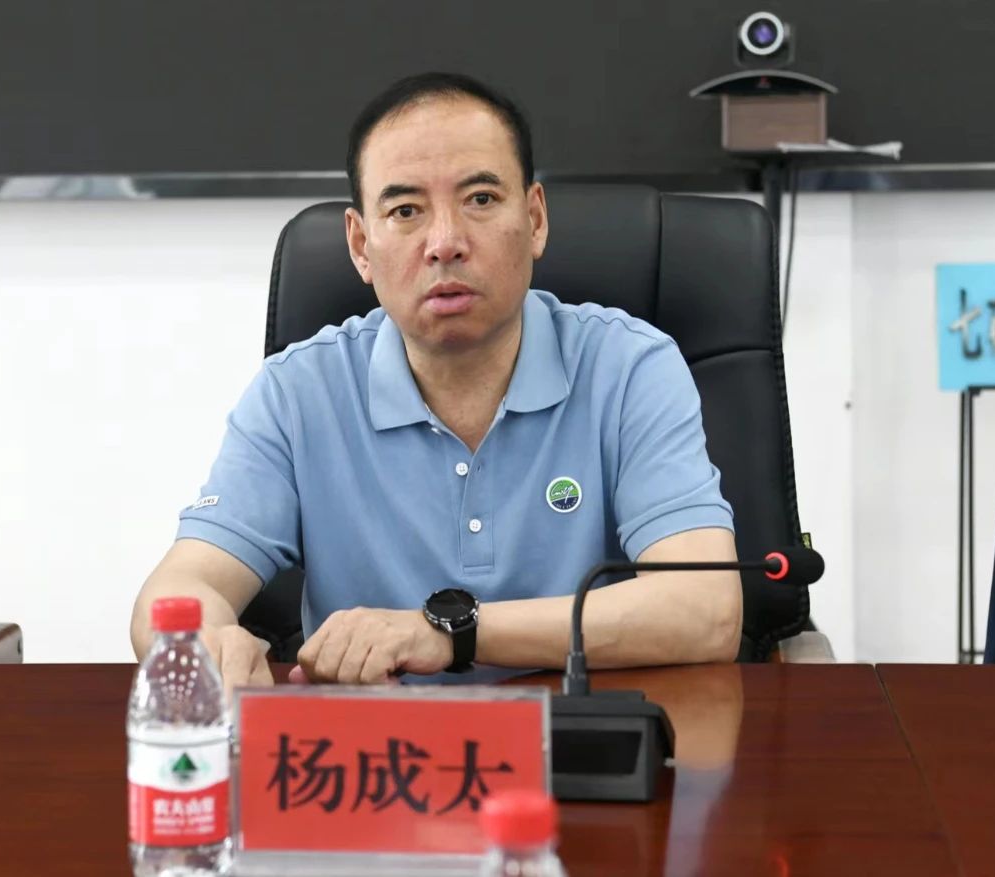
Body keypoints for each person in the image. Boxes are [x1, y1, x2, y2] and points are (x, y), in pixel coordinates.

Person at [130, 72, 742, 690]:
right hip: (371, 742)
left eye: (480, 199)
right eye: (405, 211)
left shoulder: (630, 367)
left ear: (534, 219)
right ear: (361, 245)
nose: (445, 243)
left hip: (578, 734)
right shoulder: (298, 392)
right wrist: (204, 641)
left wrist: (450, 633)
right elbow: (182, 586)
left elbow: (706, 609)